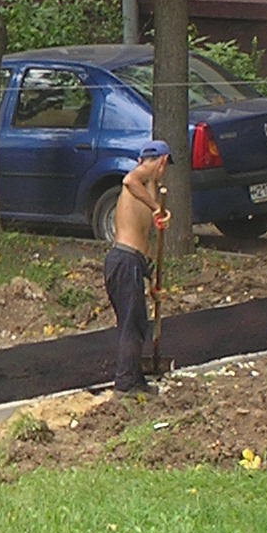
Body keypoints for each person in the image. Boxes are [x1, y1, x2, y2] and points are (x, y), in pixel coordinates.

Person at [106, 140, 171, 394]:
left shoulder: (149, 187)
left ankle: (135, 379)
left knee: (137, 323)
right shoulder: (138, 179)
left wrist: (152, 279)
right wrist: (157, 208)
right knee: (132, 325)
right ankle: (125, 385)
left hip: (133, 262)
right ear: (162, 161)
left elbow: (145, 237)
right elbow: (129, 180)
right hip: (124, 261)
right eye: (164, 166)